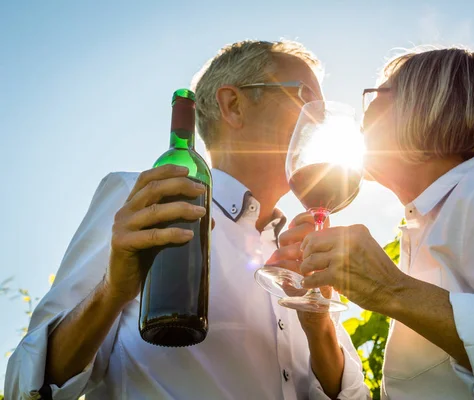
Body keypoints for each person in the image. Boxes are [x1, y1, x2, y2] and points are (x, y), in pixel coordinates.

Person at [5, 40, 369, 400]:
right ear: (233, 105)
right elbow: (26, 384)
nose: (319, 117)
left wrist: (318, 324)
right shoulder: (142, 198)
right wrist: (112, 292)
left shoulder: (306, 249)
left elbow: (353, 396)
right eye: (305, 96)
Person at [271, 47, 474, 399]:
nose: (365, 115)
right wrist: (318, 321)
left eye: (377, 95)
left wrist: (392, 291)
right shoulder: (425, 223)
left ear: (428, 104)